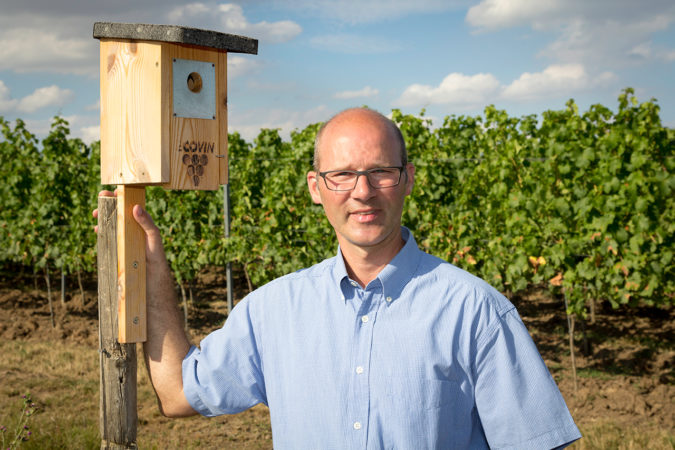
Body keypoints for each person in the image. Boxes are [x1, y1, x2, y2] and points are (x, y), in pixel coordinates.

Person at [94, 108, 581, 449]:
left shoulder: (475, 311)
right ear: (315, 188)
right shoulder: (274, 310)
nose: (362, 192)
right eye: (342, 175)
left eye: (381, 172)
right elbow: (179, 394)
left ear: (408, 179)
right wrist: (152, 273)